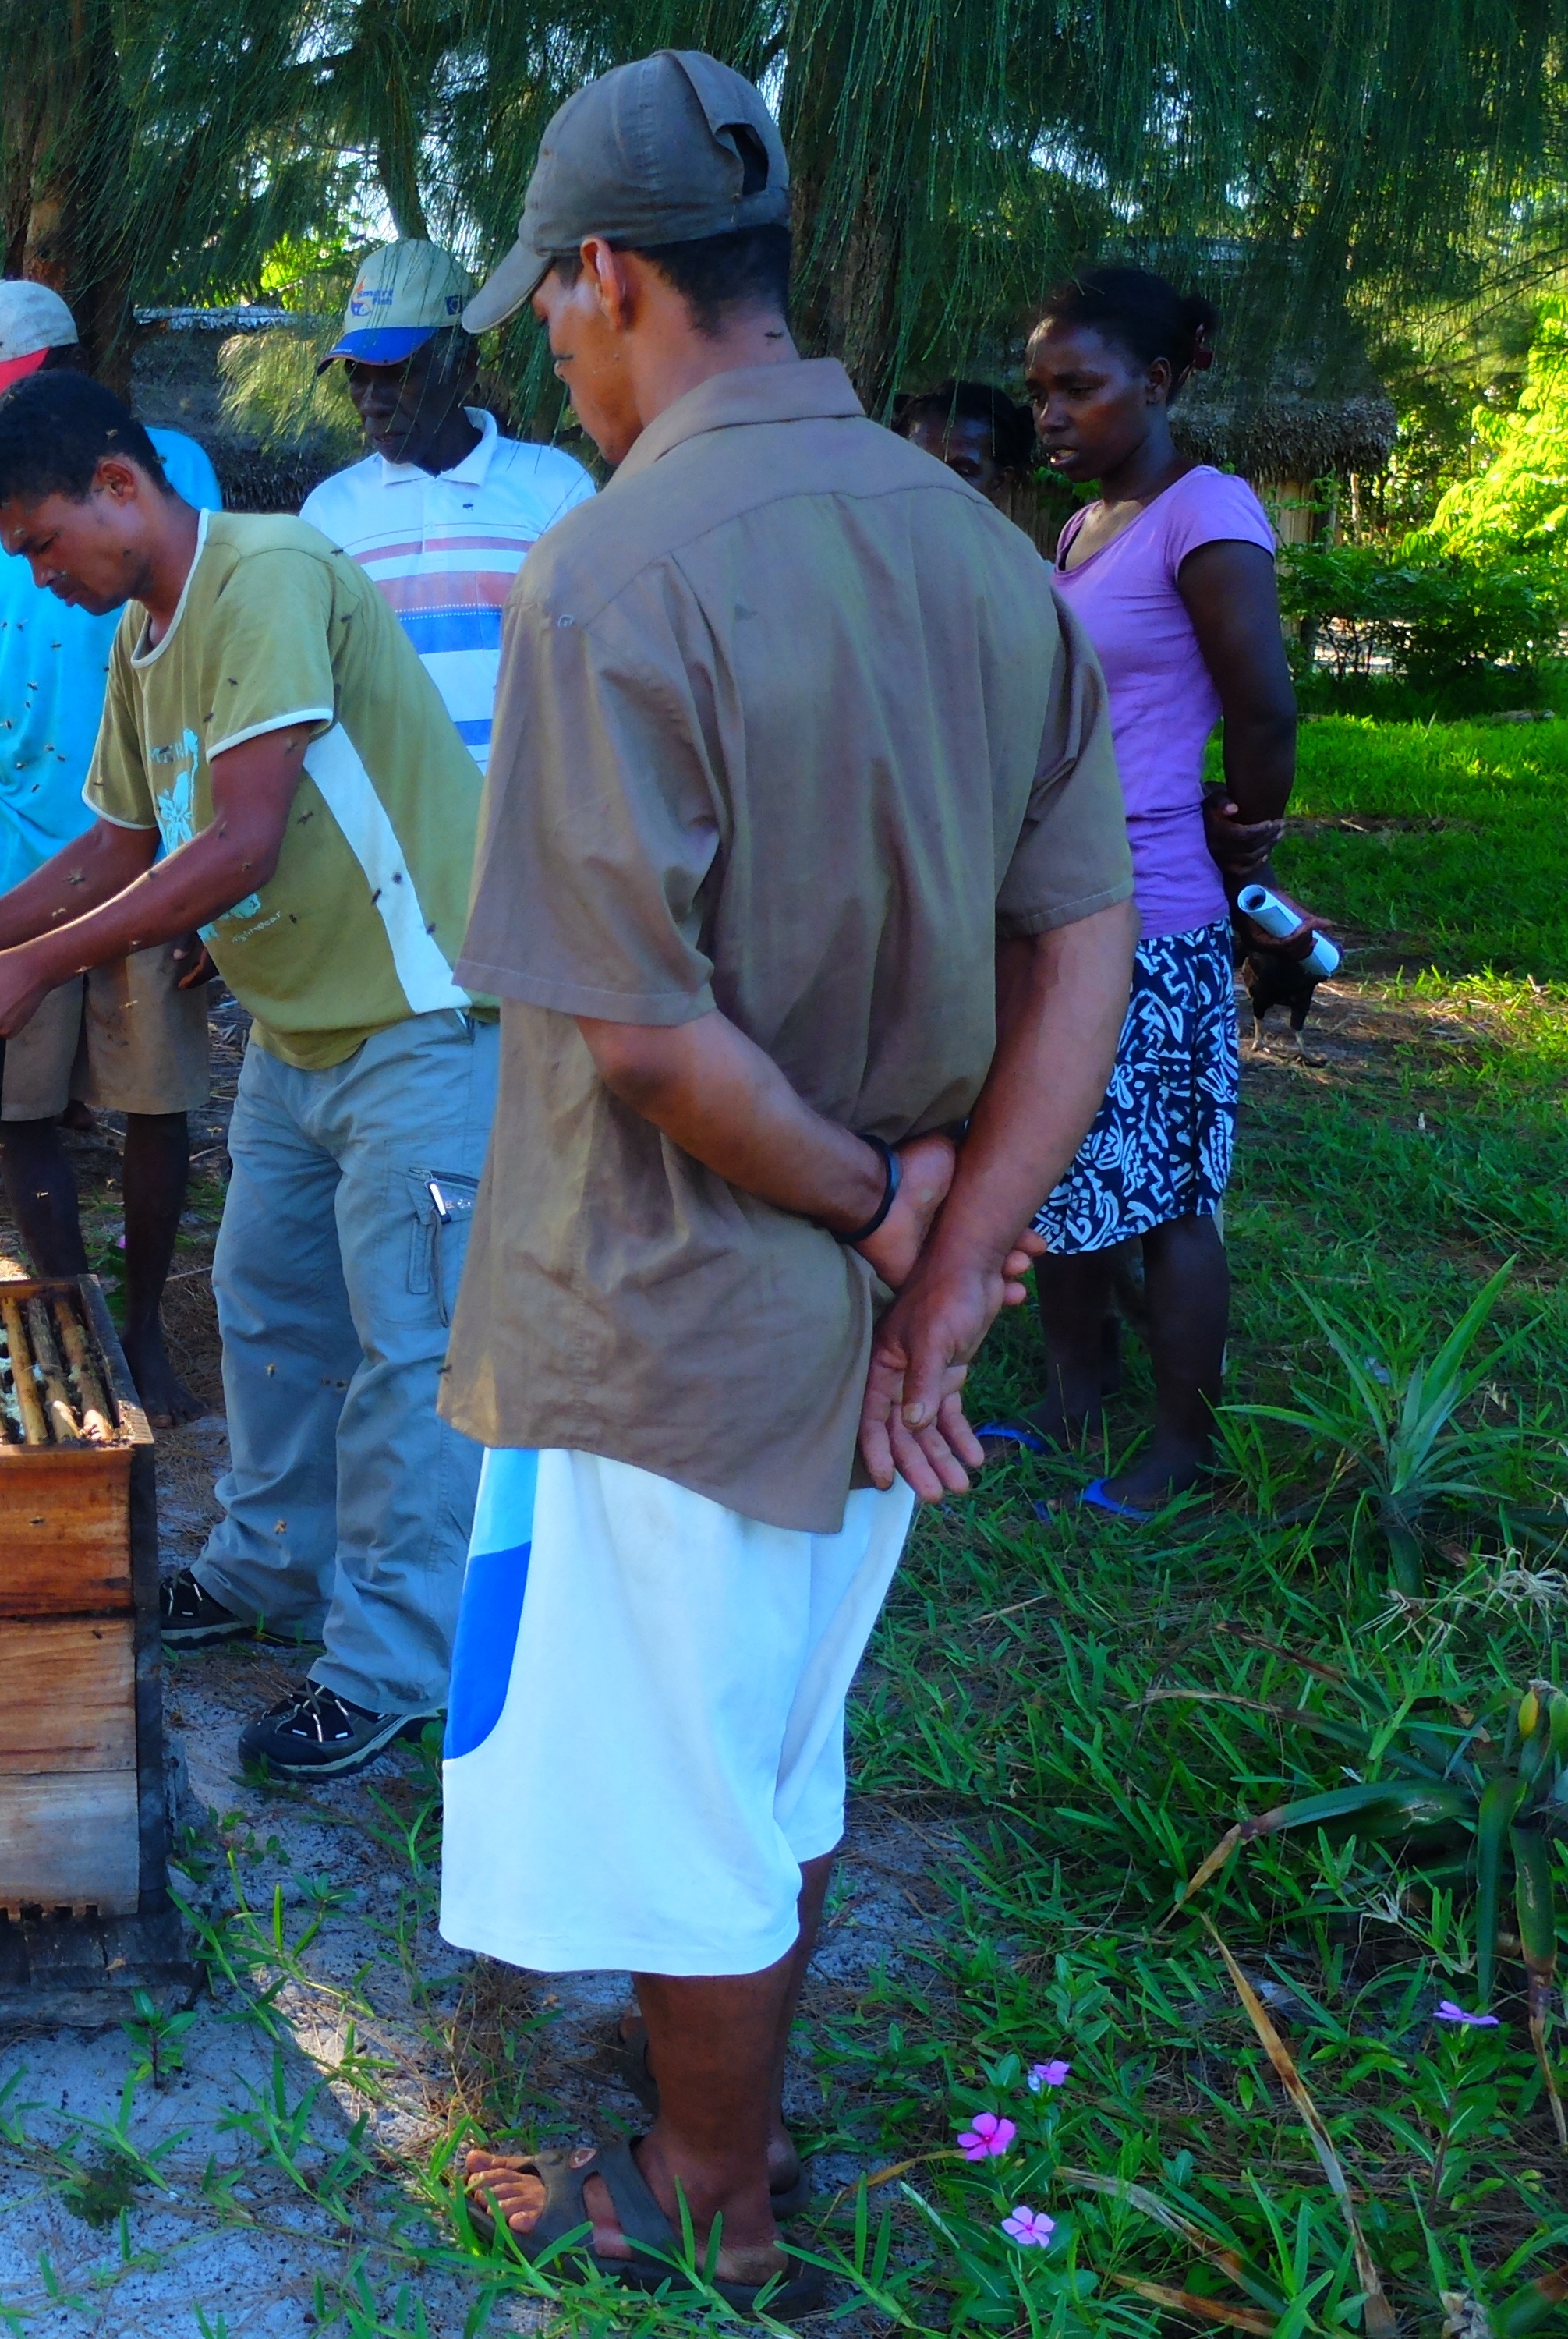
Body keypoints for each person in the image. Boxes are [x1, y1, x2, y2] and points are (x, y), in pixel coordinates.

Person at [425, 51, 1138, 2315]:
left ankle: (704, 2204)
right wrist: (944, 1259)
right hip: (873, 1310)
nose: (550, 335)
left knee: (683, 1781)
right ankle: (715, 2128)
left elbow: (638, 1034)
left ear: (613, 275)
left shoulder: (608, 574)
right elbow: (1088, 940)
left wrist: (864, 1209)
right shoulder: (981, 549)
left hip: (671, 1302)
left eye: (553, 299)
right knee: (779, 1743)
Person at [0, 368, 494, 1783]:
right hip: (297, 1029)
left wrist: (38, 971)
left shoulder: (268, 568)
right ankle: (269, 1568)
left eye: (44, 543)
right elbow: (114, 841)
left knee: (410, 1344)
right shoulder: (142, 641)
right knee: (269, 1300)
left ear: (120, 485)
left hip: (424, 1012)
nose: (39, 576)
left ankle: (393, 1667)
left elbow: (237, 843)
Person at [0, 281, 223, 1418]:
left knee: (154, 1096)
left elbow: (211, 706)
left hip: (159, 852)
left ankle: (139, 1326)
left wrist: (208, 891)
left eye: (22, 394)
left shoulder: (176, 490)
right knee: (15, 1108)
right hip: (3, 840)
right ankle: (74, 1310)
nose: (4, 420)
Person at [1001, 267, 1297, 1516]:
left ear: (1160, 383)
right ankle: (1075, 1397)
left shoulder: (1205, 511)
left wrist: (1254, 840)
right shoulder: (1081, 531)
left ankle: (1181, 1442)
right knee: (1058, 1155)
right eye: (1040, 391)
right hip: (1061, 898)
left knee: (1170, 1187)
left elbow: (1263, 701)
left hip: (1163, 902)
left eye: (1080, 387)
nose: (1051, 414)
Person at [299, 241, 594, 763]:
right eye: (357, 375)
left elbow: (591, 673)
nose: (372, 401)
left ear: (463, 364)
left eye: (398, 372)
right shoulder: (327, 516)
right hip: (388, 838)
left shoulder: (555, 489)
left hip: (525, 830)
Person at [891, 378, 1039, 511]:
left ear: (998, 483)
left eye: (960, 473)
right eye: (918, 466)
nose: (931, 485)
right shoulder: (872, 534)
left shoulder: (1011, 542)